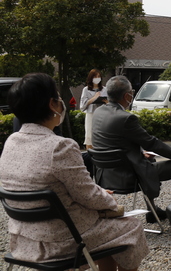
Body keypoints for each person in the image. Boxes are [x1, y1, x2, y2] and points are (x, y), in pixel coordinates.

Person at [0, 73, 148, 271]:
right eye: (58, 97)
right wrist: (107, 199)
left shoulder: (11, 142)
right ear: (53, 105)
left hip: (25, 238)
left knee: (108, 234)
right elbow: (87, 195)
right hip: (63, 240)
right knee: (131, 227)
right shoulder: (61, 146)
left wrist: (97, 194)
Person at [91, 75, 171, 222]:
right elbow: (150, 142)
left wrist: (141, 153)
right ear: (127, 95)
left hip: (104, 177)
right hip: (129, 177)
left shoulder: (99, 112)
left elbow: (115, 144)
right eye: (132, 91)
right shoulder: (125, 118)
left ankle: (152, 211)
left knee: (150, 158)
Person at [80, 69, 108, 150]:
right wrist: (94, 98)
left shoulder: (104, 89)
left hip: (102, 114)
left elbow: (110, 102)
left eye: (99, 76)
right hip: (91, 114)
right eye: (95, 76)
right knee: (89, 136)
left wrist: (106, 101)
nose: (97, 78)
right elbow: (82, 105)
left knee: (102, 135)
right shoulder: (86, 90)